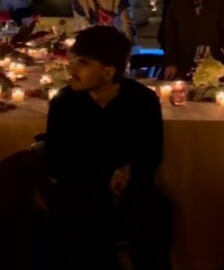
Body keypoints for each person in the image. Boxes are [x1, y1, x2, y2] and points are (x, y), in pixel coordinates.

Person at [45, 26, 172, 270]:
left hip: (131, 186)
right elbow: (57, 162)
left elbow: (152, 155)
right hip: (80, 188)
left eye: (82, 63)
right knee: (78, 215)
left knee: (154, 211)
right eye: (73, 61)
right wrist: (105, 176)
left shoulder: (142, 100)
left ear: (108, 72)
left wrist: (129, 172)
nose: (71, 69)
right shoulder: (65, 102)